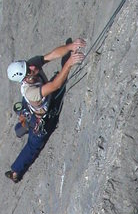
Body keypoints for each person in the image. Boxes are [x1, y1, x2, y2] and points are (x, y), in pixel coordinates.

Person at [5, 39, 86, 182]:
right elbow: (55, 86)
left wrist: (69, 47)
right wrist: (68, 64)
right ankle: (15, 171)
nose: (32, 67)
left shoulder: (31, 66)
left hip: (32, 106)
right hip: (40, 117)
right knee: (33, 146)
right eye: (28, 70)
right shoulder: (31, 92)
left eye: (27, 65)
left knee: (26, 113)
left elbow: (52, 55)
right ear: (25, 78)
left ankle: (21, 126)